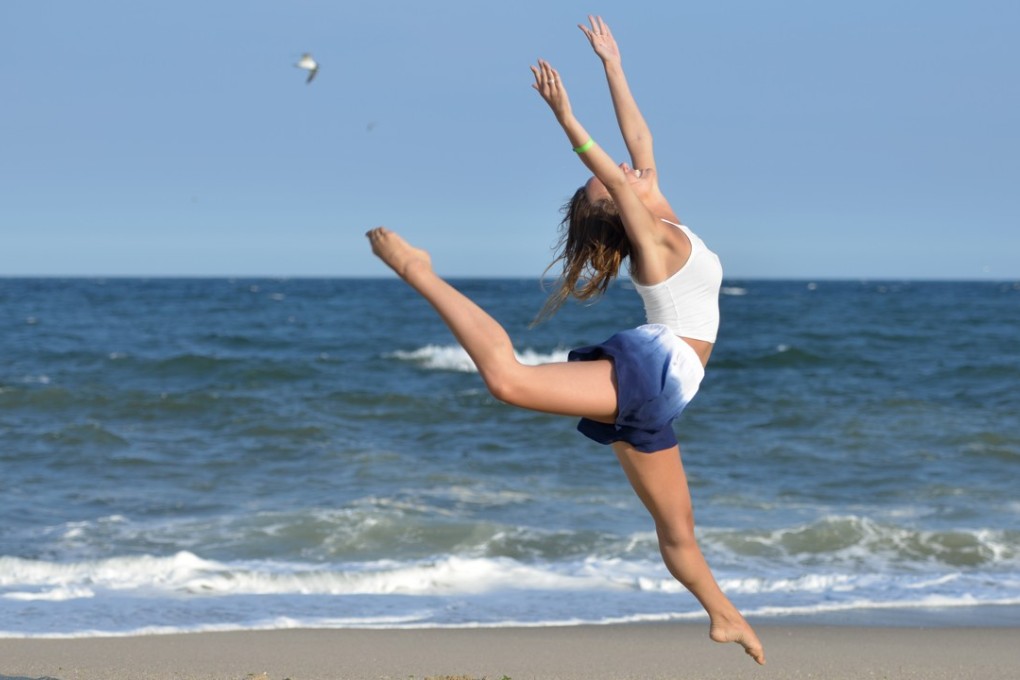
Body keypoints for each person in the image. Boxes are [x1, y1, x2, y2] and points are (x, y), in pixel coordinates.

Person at [366, 15, 765, 666]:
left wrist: (613, 63)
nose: (626, 169)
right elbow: (604, 157)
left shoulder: (658, 206)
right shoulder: (654, 241)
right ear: (617, 204)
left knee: (678, 530)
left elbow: (638, 138)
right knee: (507, 381)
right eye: (610, 179)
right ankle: (418, 270)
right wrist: (566, 118)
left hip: (663, 395)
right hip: (655, 371)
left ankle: (724, 617)